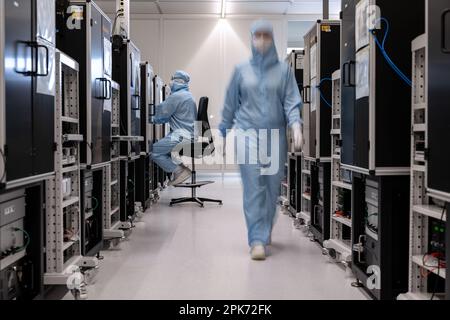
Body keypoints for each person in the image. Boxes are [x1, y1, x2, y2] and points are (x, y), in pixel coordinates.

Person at [219, 20, 303, 261]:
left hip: (275, 135)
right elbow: (230, 102)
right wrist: (223, 130)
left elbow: (291, 101)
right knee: (254, 186)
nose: (262, 39)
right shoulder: (241, 70)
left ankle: (264, 231)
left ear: (273, 38)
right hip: (247, 133)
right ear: (251, 38)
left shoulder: (284, 71)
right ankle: (256, 238)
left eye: (267, 35)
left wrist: (296, 124)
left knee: (271, 186)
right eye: (258, 35)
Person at [151, 70, 197, 186]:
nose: (171, 83)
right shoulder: (188, 95)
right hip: (188, 135)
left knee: (153, 151)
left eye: (173, 80)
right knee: (164, 149)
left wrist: (146, 116)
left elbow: (160, 116)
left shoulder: (177, 96)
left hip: (181, 136)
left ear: (178, 81)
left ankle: (179, 171)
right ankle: (181, 168)